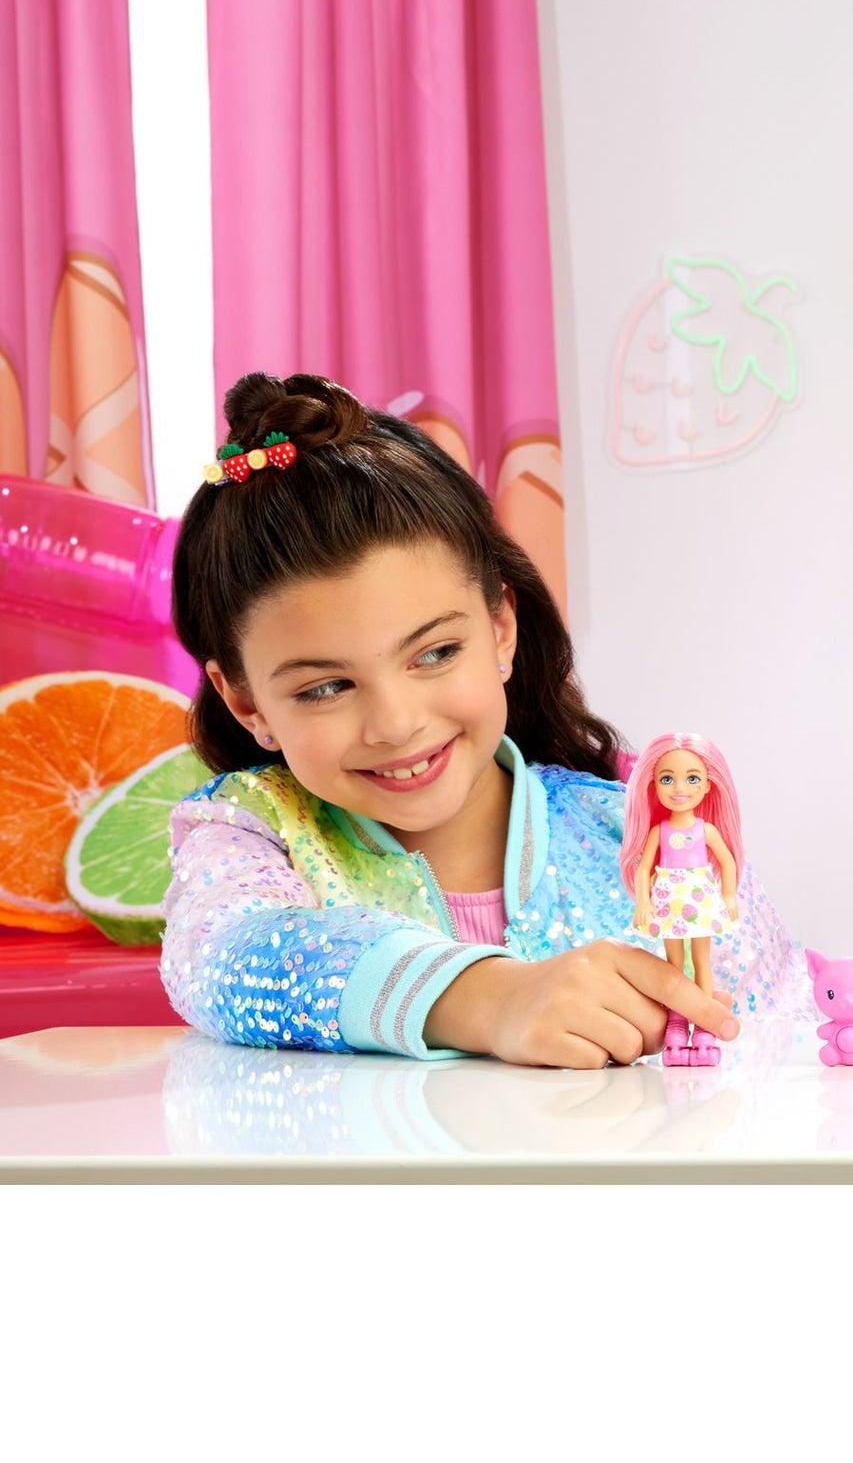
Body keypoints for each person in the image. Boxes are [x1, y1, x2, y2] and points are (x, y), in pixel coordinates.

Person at [163, 371, 805, 1067]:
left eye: (435, 652)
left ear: (500, 629)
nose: (396, 723)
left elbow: (786, 1046)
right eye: (325, 688)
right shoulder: (251, 834)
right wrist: (487, 998)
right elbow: (218, 955)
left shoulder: (631, 831)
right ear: (247, 702)